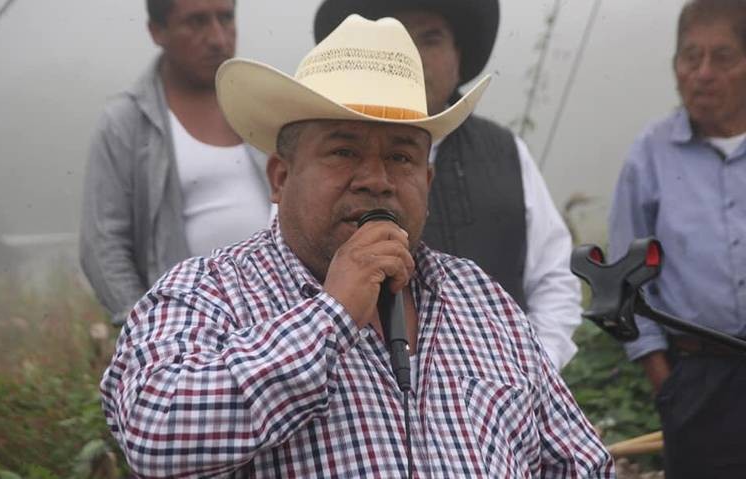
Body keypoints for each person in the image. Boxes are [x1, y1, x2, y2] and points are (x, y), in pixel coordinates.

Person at [100, 14, 612, 478]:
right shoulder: (207, 291)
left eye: (401, 157)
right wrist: (333, 313)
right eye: (343, 151)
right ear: (281, 177)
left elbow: (582, 464)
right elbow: (154, 433)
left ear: (427, 182)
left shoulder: (481, 301)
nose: (376, 180)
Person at [313, 0, 582, 370]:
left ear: (459, 57)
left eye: (430, 39)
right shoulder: (318, 161)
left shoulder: (505, 151)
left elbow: (554, 277)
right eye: (397, 38)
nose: (411, 55)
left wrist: (533, 370)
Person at [609, 0, 746, 476]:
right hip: (696, 381)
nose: (703, 73)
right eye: (691, 57)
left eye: (723, 57)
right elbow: (623, 285)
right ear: (675, 67)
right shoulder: (649, 156)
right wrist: (666, 383)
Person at [80, 0, 271, 325]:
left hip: (281, 323)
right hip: (189, 334)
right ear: (157, 31)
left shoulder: (266, 104)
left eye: (226, 18)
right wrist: (149, 326)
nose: (217, 38)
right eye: (196, 22)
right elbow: (103, 244)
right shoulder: (127, 122)